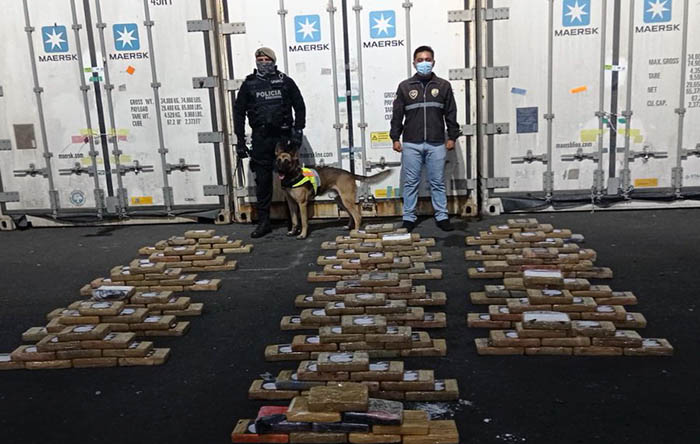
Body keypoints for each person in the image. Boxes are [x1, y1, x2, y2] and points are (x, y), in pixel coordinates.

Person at [233, 47, 306, 238]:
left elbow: (300, 106)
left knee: (292, 181)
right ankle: (264, 223)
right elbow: (238, 113)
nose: (263, 62)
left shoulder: (285, 82)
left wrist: (298, 130)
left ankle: (294, 222)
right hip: (262, 139)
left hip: (283, 138)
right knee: (263, 183)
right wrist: (240, 140)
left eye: (267, 59)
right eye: (260, 59)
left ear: (273, 61)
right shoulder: (249, 85)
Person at [390, 45, 459, 232]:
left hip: (437, 143)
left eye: (427, 59)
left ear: (433, 62)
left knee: (437, 181)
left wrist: (452, 136)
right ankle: (409, 217)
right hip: (412, 143)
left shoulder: (443, 86)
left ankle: (442, 216)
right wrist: (395, 137)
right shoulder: (405, 87)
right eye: (420, 60)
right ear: (414, 63)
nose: (424, 63)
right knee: (411, 182)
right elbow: (397, 115)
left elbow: (451, 113)